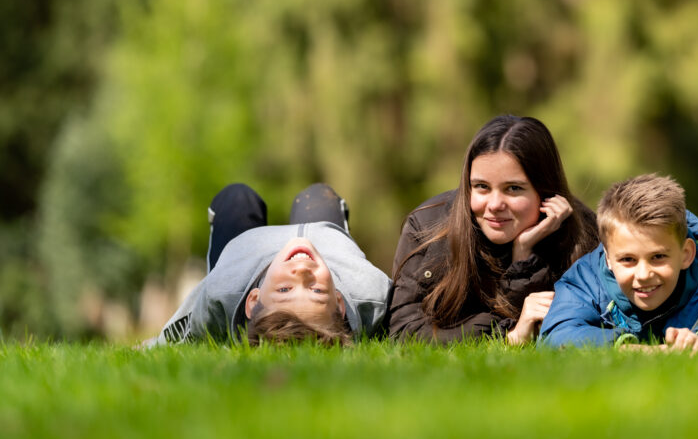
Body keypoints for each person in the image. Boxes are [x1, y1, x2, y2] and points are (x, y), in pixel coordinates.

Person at [388, 115, 599, 344]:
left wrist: (524, 255)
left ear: (545, 190)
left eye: (513, 188)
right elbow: (402, 330)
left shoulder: (584, 232)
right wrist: (506, 337)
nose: (495, 205)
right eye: (481, 187)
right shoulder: (427, 227)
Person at [149, 183, 392, 346]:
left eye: (284, 289)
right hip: (326, 238)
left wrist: (153, 345)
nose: (302, 272)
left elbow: (186, 326)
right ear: (340, 303)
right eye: (316, 291)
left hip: (244, 253)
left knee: (237, 197)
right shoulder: (371, 293)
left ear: (253, 301)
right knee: (318, 194)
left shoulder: (223, 290)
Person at [539, 174, 698, 352]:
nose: (643, 274)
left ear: (686, 254)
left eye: (658, 257)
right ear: (608, 257)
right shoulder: (584, 278)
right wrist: (634, 350)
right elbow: (556, 335)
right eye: (628, 260)